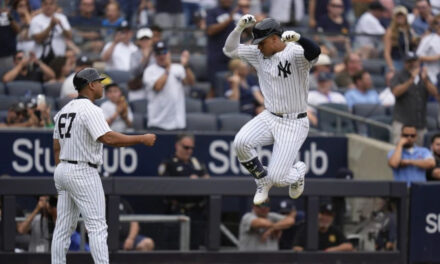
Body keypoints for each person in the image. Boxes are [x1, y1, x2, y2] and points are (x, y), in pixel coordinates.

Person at [51, 67, 157, 264]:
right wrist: (141, 138)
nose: (102, 85)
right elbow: (108, 137)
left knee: (63, 228)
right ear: (91, 85)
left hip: (63, 169)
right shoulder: (91, 109)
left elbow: (56, 146)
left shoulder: (63, 111)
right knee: (97, 227)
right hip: (83, 170)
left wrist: (62, 169)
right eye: (99, 82)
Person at [223, 15, 321, 205]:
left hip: (294, 122)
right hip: (269, 116)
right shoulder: (259, 54)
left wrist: (300, 38)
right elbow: (229, 50)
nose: (258, 46)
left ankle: (298, 171)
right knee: (241, 143)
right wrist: (238, 29)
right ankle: (261, 180)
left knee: (278, 179)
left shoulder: (295, 53)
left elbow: (315, 52)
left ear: (275, 39)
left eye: (262, 42)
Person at [158, 133, 209, 249]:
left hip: (196, 213)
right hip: (176, 212)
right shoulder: (169, 163)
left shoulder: (196, 163)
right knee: (174, 250)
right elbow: (164, 186)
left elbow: (207, 179)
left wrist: (198, 181)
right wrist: (188, 181)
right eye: (186, 147)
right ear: (177, 146)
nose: (189, 151)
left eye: (191, 148)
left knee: (195, 249)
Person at [143, 41, 195, 130]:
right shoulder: (149, 71)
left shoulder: (178, 68)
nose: (162, 56)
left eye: (164, 52)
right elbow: (158, 87)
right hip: (158, 123)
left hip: (178, 123)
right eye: (158, 53)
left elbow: (191, 82)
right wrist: (168, 68)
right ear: (154, 56)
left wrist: (186, 66)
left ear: (168, 53)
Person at [390, 52, 438, 146]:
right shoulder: (399, 75)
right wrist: (411, 80)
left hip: (420, 125)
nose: (412, 64)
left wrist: (425, 80)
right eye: (409, 61)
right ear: (405, 63)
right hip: (402, 124)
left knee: (419, 154)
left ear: (419, 62)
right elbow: (395, 92)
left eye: (414, 61)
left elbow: (435, 92)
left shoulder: (424, 76)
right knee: (399, 151)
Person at [383, 6, 417, 72]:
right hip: (396, 61)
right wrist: (391, 67)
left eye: (402, 16)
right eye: (398, 16)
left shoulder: (409, 30)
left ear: (406, 17)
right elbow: (387, 52)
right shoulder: (390, 31)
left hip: (409, 62)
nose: (400, 18)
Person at [416, 14, 440, 87]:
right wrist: (436, 58)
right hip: (430, 75)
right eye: (437, 23)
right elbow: (418, 56)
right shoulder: (428, 39)